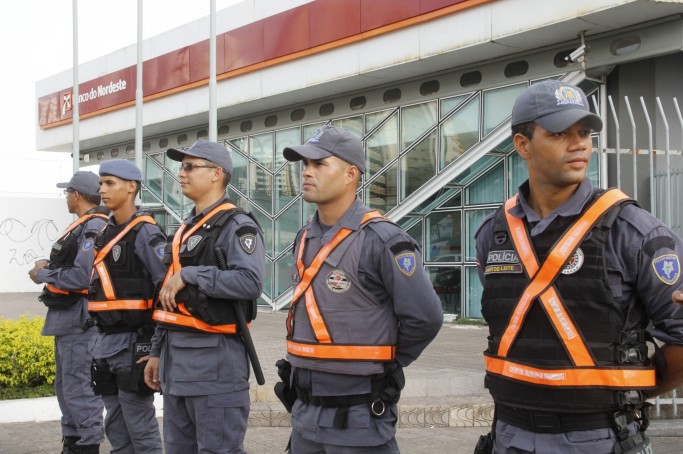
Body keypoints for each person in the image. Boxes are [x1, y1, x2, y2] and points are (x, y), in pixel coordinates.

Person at [474, 80, 683, 454]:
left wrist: (627, 387)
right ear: (523, 144)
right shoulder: (494, 233)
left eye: (584, 132)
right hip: (509, 434)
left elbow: (681, 335)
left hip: (601, 437)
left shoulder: (632, 231)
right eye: (559, 133)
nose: (579, 144)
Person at [278, 125, 444, 453]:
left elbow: (425, 318)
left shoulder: (382, 240)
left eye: (319, 164)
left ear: (350, 173)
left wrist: (386, 362)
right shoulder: (304, 238)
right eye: (304, 165)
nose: (307, 172)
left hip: (358, 419)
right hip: (305, 415)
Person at [143, 140, 264, 454]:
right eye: (181, 166)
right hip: (176, 367)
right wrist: (156, 352)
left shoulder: (237, 225)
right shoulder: (186, 229)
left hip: (216, 369)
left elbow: (250, 282)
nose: (181, 174)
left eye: (189, 166)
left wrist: (191, 275)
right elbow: (169, 301)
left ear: (216, 174)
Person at [87, 159, 165, 454]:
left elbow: (164, 288)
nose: (102, 189)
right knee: (116, 427)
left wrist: (155, 345)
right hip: (106, 343)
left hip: (135, 341)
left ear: (131, 187)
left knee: (140, 427)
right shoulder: (105, 232)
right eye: (101, 183)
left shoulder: (145, 232)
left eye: (110, 183)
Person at [28, 171, 108, 454]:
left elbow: (82, 277)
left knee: (79, 388)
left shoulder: (93, 227)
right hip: (67, 320)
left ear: (77, 195)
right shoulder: (81, 227)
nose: (66, 197)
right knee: (65, 387)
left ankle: (86, 446)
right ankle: (73, 442)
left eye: (68, 192)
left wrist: (43, 273)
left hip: (79, 321)